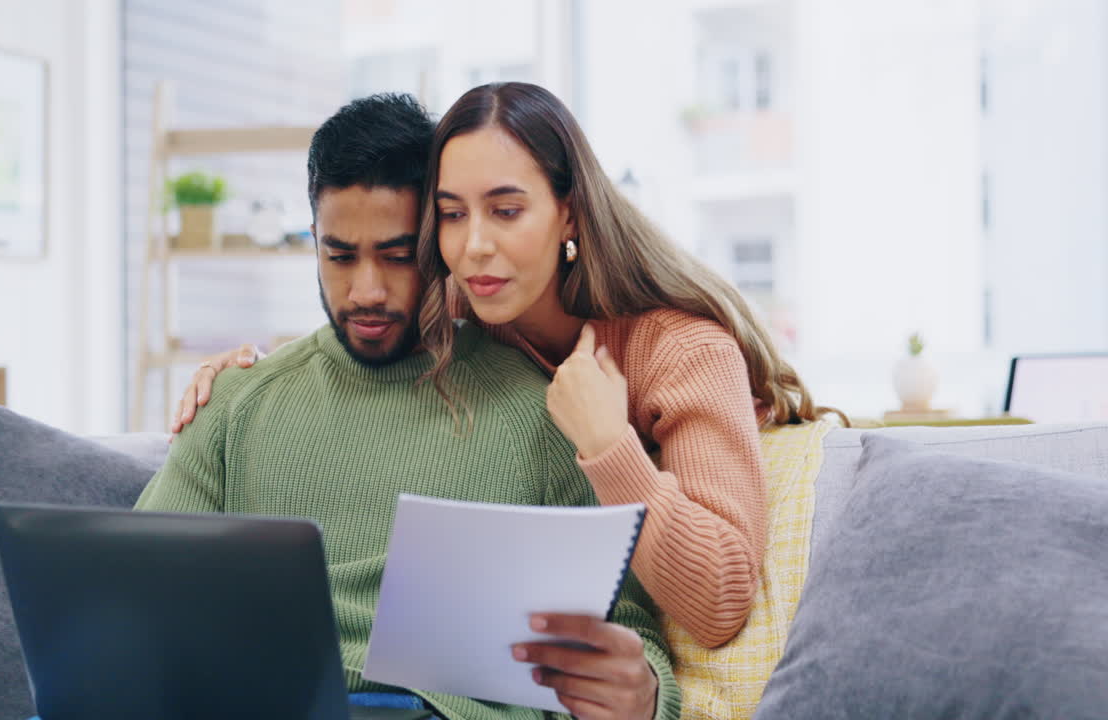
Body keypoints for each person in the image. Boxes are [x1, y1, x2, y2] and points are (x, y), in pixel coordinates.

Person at [174, 83, 844, 650]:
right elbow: (365, 313)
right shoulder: (464, 300)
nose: (474, 246)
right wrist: (250, 375)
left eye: (506, 211)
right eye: (451, 214)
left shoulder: (681, 349)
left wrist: (608, 444)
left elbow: (721, 602)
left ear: (569, 214)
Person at [140, 93, 681, 720]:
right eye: (340, 256)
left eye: (397, 256)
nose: (366, 290)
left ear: (437, 242)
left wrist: (645, 693)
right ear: (314, 242)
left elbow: (627, 629)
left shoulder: (542, 411)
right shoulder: (237, 405)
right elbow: (133, 596)